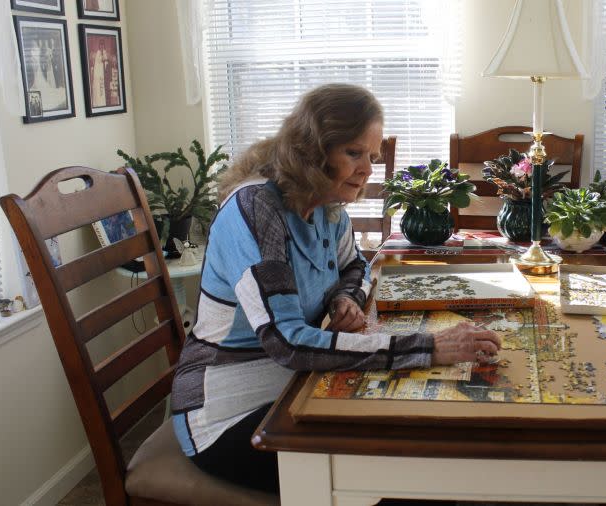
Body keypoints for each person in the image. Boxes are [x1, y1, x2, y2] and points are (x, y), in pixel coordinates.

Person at [171, 83, 500, 494]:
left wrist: (347, 297)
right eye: (353, 153)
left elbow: (357, 266)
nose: (367, 169)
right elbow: (288, 343)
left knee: (419, 449)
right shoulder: (256, 211)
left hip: (294, 384)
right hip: (226, 413)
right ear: (313, 148)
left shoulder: (327, 208)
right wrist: (431, 347)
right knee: (410, 476)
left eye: (373, 157)